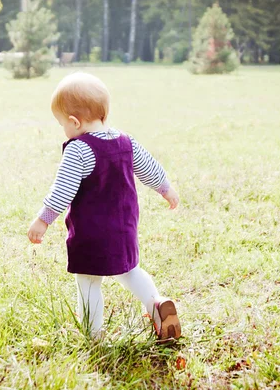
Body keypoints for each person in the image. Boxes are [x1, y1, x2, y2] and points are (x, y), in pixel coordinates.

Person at [27, 72, 181, 341]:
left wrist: (44, 219)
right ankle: (156, 303)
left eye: (63, 124)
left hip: (91, 232)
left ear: (74, 122)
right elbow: (150, 169)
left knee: (87, 281)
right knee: (130, 271)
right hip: (125, 227)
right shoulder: (126, 141)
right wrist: (166, 189)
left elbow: (62, 190)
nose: (64, 130)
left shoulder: (79, 149)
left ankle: (93, 332)